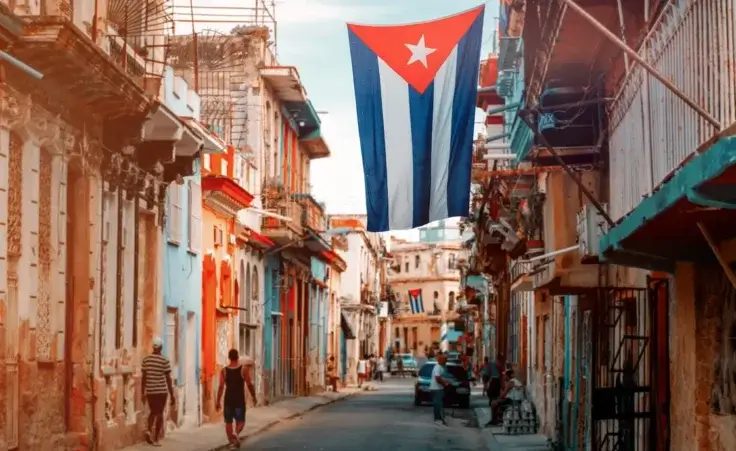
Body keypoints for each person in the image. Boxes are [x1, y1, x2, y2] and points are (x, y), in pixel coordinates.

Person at [216, 349, 257, 449]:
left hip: (228, 400)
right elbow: (249, 384)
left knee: (228, 421)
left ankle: (232, 441)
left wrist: (218, 401)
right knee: (241, 421)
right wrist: (253, 396)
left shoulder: (224, 371)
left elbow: (221, 387)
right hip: (239, 400)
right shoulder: (243, 370)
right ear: (238, 357)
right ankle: (236, 433)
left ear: (229, 358)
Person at [141, 337, 175, 447]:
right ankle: (155, 438)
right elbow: (168, 379)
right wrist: (172, 394)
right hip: (161, 391)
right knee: (159, 413)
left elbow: (143, 378)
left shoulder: (146, 360)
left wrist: (143, 392)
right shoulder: (164, 361)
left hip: (150, 391)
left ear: (153, 347)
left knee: (152, 411)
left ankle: (149, 430)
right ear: (161, 347)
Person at [430, 353, 452, 426]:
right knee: (438, 404)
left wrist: (446, 382)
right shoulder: (438, 367)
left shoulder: (442, 367)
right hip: (436, 388)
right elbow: (437, 378)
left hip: (438, 388)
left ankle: (439, 418)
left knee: (439, 404)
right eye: (445, 360)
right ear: (440, 360)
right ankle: (438, 419)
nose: (446, 361)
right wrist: (444, 384)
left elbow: (441, 377)